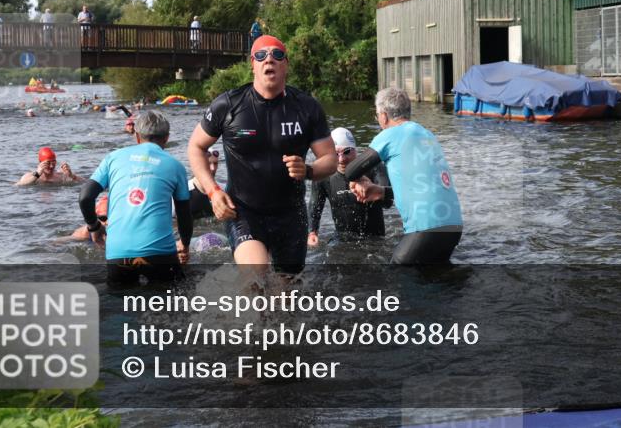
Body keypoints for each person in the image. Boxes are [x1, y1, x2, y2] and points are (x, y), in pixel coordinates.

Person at [187, 34, 337, 274]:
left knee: (285, 298)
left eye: (277, 55)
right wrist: (214, 191)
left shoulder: (307, 107)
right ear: (253, 64)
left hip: (291, 214)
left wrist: (308, 170)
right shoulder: (228, 105)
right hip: (244, 210)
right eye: (261, 55)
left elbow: (330, 159)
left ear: (286, 64)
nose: (269, 60)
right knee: (255, 277)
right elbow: (195, 146)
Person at [348, 87, 463, 264]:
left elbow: (351, 170)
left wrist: (361, 180)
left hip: (426, 227)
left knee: (399, 276)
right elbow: (421, 186)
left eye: (377, 115)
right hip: (453, 226)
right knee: (435, 280)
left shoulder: (390, 134)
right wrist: (381, 191)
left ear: (384, 116)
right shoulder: (427, 134)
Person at [79, 110, 192, 286]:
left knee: (120, 305)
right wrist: (185, 244)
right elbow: (184, 214)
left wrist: (94, 227)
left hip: (118, 252)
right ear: (167, 138)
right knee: (175, 303)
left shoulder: (113, 158)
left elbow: (85, 197)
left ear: (137, 136)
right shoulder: (175, 166)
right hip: (159, 252)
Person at [307, 127, 392, 247]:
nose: (341, 159)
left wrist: (373, 188)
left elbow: (388, 203)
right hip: (342, 240)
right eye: (336, 153)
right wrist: (312, 233)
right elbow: (315, 207)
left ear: (355, 149)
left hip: (375, 240)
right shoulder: (324, 176)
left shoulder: (374, 167)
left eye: (347, 151)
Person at [17, 146, 84, 185]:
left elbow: (85, 182)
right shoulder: (31, 176)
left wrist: (72, 175)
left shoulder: (61, 175)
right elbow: (18, 185)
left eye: (53, 162)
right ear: (40, 163)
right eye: (48, 163)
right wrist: (37, 174)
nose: (51, 166)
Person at [187, 148, 222, 219]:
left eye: (215, 163)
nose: (213, 168)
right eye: (208, 163)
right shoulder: (183, 192)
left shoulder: (221, 191)